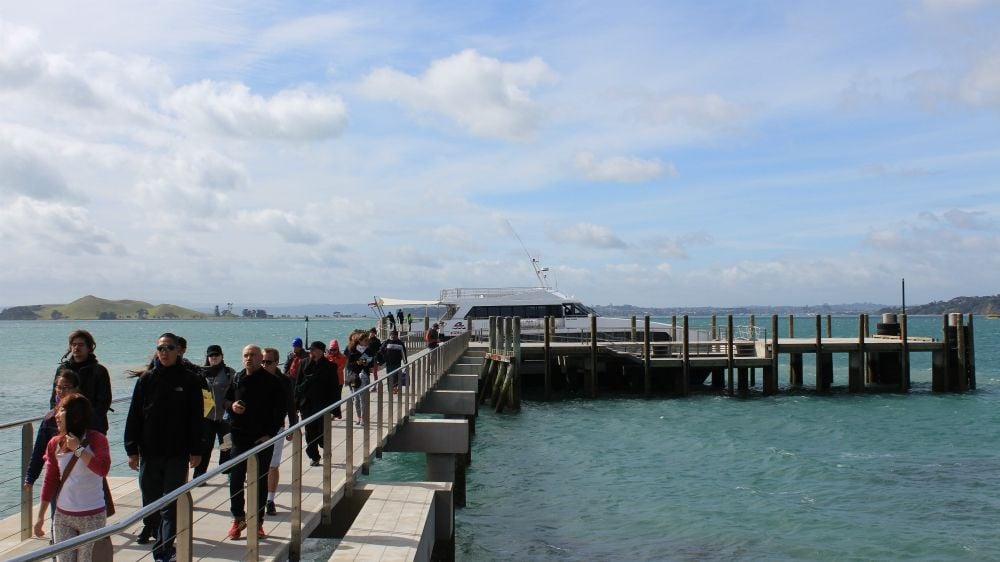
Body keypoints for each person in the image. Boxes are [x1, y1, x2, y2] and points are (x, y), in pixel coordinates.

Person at [124, 333, 203, 562]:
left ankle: (163, 551)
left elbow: (196, 418)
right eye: (160, 348)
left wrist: (196, 450)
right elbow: (134, 416)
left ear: (178, 350)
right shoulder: (146, 379)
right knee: (150, 504)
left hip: (177, 454)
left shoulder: (189, 380)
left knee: (170, 505)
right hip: (149, 452)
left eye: (169, 347)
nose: (164, 352)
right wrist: (131, 450)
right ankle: (156, 534)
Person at [33, 394, 111, 562]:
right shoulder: (54, 443)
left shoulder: (97, 440)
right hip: (63, 516)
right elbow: (50, 479)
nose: (56, 416)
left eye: (60, 411)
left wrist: (78, 450)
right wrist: (41, 516)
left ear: (74, 416)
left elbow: (102, 469)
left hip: (93, 516)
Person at [225, 345, 283, 540]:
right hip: (239, 437)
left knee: (259, 481)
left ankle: (257, 521)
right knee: (235, 479)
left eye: (253, 356)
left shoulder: (272, 382)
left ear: (261, 358)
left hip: (262, 439)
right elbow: (225, 400)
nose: (249, 358)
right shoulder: (237, 378)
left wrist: (270, 434)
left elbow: (279, 411)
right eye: (245, 355)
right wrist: (232, 406)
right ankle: (238, 518)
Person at [25, 370, 80, 491]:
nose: (61, 391)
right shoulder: (50, 417)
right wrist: (30, 477)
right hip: (58, 475)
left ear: (76, 389)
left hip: (83, 475)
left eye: (66, 387)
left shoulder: (84, 414)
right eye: (58, 387)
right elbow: (39, 449)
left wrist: (79, 449)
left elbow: (94, 452)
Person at [51, 330, 112, 434]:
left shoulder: (99, 371)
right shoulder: (62, 370)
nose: (76, 348)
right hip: (65, 424)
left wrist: (90, 421)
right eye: (74, 344)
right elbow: (54, 399)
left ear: (89, 348)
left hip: (93, 427)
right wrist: (57, 419)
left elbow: (104, 402)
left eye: (81, 344)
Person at [262, 347, 296, 516]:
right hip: (255, 429)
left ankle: (270, 499)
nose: (264, 365)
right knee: (255, 466)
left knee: (272, 465)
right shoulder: (251, 377)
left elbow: (291, 404)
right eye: (262, 361)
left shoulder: (285, 381)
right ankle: (258, 499)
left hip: (277, 427)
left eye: (268, 362)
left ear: (276, 362)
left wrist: (293, 427)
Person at [193, 344, 235, 481]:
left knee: (226, 445)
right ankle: (199, 476)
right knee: (205, 447)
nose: (214, 358)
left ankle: (228, 471)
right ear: (207, 357)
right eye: (211, 355)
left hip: (225, 417)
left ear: (222, 356)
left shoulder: (229, 372)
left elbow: (235, 393)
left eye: (216, 355)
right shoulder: (200, 374)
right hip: (206, 417)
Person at [294, 341, 339, 467]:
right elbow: (297, 385)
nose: (311, 352)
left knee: (321, 432)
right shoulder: (303, 363)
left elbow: (334, 389)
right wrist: (295, 406)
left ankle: (325, 448)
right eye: (310, 350)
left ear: (321, 351)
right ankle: (314, 456)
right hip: (306, 404)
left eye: (313, 350)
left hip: (323, 404)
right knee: (309, 431)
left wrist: (336, 410)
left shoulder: (330, 366)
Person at [346, 333, 374, 425]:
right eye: (365, 340)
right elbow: (349, 366)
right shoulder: (352, 350)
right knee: (356, 399)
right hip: (354, 377)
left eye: (368, 340)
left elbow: (371, 363)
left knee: (363, 398)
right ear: (359, 341)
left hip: (364, 376)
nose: (367, 342)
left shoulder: (369, 350)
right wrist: (357, 363)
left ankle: (363, 418)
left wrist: (368, 364)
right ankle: (359, 417)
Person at [324, 339, 347, 419]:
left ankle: (337, 413)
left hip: (339, 380)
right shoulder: (326, 357)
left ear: (338, 349)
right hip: (328, 381)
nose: (333, 351)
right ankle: (332, 413)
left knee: (337, 397)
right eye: (331, 350)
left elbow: (340, 368)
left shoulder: (343, 357)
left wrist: (331, 367)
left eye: (335, 349)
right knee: (329, 398)